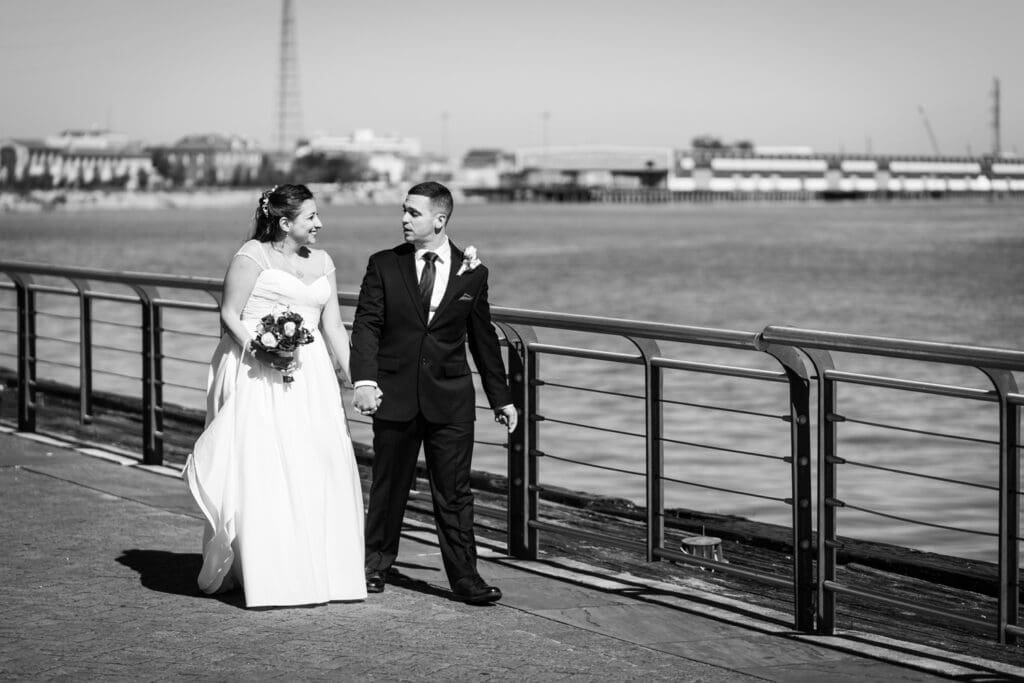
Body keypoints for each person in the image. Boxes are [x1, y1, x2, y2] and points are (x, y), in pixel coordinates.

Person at [183, 184, 367, 608]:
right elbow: (230, 314)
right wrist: (262, 349)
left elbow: (334, 327)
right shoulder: (252, 256)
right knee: (264, 465)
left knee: (318, 463)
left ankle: (325, 573)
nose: (320, 224)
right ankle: (270, 573)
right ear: (285, 223)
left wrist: (358, 380)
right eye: (311, 217)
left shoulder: (323, 261)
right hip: (256, 374)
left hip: (312, 378)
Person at [351, 181, 518, 605]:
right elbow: (367, 324)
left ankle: (466, 579)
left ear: (439, 220)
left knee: (455, 491)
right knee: (389, 486)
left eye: (413, 212)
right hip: (395, 394)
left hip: (451, 399)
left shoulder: (473, 271)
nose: (404, 219)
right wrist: (365, 380)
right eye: (404, 211)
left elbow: (482, 338)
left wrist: (501, 398)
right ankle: (374, 565)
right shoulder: (384, 265)